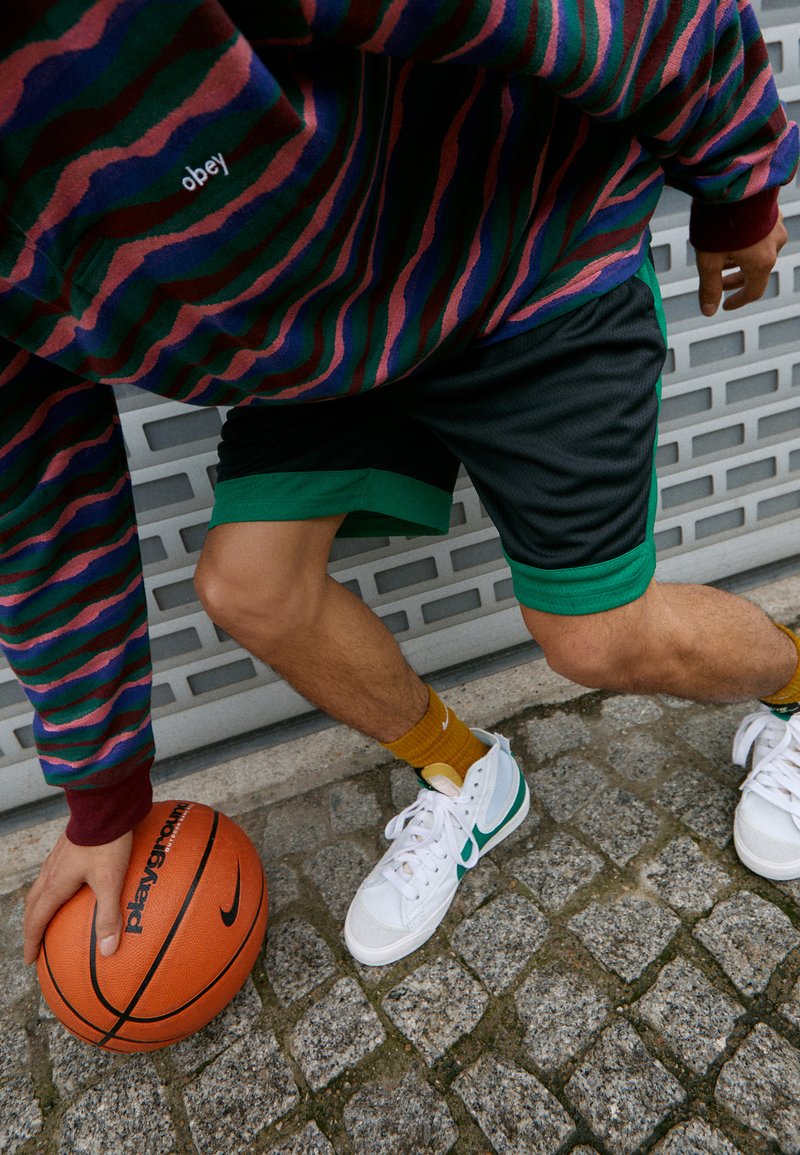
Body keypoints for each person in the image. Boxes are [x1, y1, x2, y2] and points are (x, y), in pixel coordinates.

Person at [3, 1, 798, 967]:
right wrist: (102, 793)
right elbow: (35, 497)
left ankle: (796, 684)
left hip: (519, 246)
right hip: (327, 339)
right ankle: (471, 776)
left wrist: (740, 177)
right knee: (249, 586)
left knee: (595, 636)